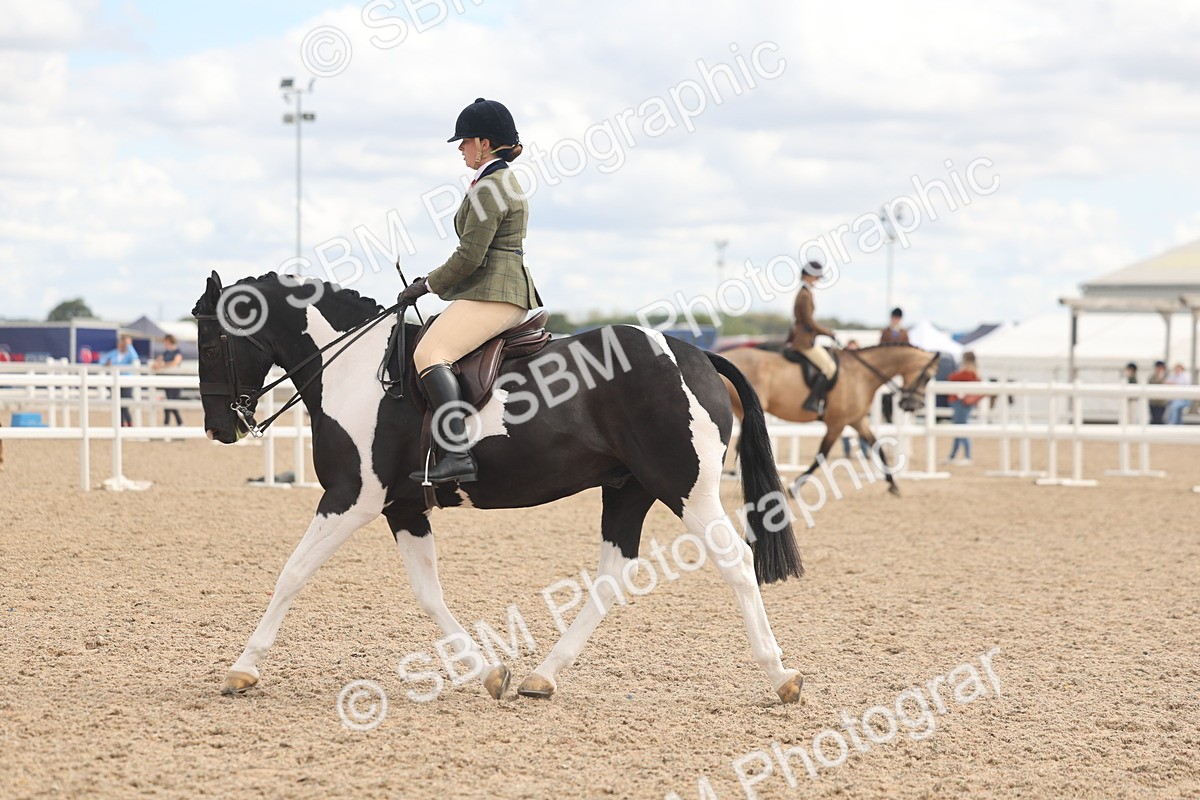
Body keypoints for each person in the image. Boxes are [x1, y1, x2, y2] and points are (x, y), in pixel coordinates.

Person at [397, 98, 542, 484]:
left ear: (483, 143)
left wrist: (426, 285)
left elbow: (469, 256)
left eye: (464, 142)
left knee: (429, 352)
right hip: (494, 290)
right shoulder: (494, 183)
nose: (460, 149)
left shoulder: (490, 189)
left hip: (497, 293)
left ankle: (457, 452)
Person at [782, 261, 837, 416]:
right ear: (810, 276)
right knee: (830, 367)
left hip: (804, 337)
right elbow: (808, 321)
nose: (818, 280)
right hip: (804, 341)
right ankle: (812, 401)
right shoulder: (805, 295)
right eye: (817, 277)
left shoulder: (804, 292)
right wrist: (828, 332)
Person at [945, 351, 981, 465]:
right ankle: (953, 455)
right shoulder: (973, 370)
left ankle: (966, 456)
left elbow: (952, 378)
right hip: (963, 402)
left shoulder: (967, 371)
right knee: (959, 429)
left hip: (961, 402)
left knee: (961, 429)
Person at [99, 335, 141, 427]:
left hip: (126, 382)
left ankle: (129, 424)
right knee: (117, 405)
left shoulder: (129, 354)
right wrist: (106, 363)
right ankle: (121, 424)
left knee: (124, 405)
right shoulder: (114, 353)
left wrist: (129, 346)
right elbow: (102, 360)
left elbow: (135, 358)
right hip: (115, 381)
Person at [840, 340, 870, 459]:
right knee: (844, 428)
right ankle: (847, 452)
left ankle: (864, 451)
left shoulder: (861, 367)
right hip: (845, 402)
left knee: (862, 427)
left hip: (858, 403)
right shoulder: (843, 365)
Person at [879, 307, 908, 423]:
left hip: (900, 367)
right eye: (894, 317)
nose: (895, 320)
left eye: (897, 318)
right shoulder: (885, 332)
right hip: (887, 366)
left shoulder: (904, 333)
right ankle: (887, 416)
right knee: (886, 393)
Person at [153, 334, 185, 426]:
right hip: (167, 380)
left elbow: (175, 363)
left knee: (171, 404)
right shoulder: (166, 352)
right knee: (169, 403)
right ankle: (177, 425)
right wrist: (157, 364)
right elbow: (158, 360)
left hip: (175, 381)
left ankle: (170, 424)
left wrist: (162, 365)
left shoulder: (177, 351)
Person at [1147, 360, 1168, 425]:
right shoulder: (1152, 377)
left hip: (1162, 402)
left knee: (1159, 418)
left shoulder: (1166, 376)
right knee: (1153, 418)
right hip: (1153, 401)